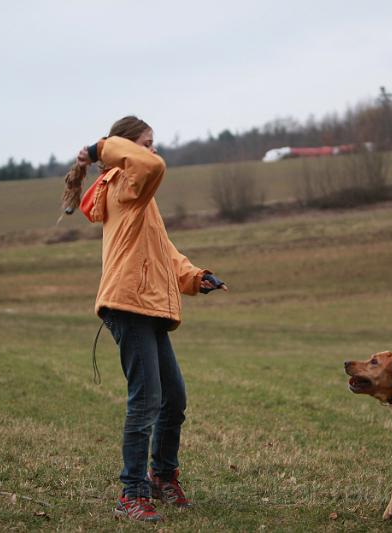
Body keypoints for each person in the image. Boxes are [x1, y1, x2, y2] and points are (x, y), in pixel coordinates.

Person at [75, 116, 228, 522]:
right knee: (145, 402)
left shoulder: (138, 195)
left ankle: (161, 478)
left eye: (153, 144)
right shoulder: (126, 185)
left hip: (147, 306)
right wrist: (99, 150)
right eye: (145, 144)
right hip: (129, 304)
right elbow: (152, 167)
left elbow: (162, 250)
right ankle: (131, 494)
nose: (153, 151)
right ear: (126, 152)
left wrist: (195, 277)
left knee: (172, 399)